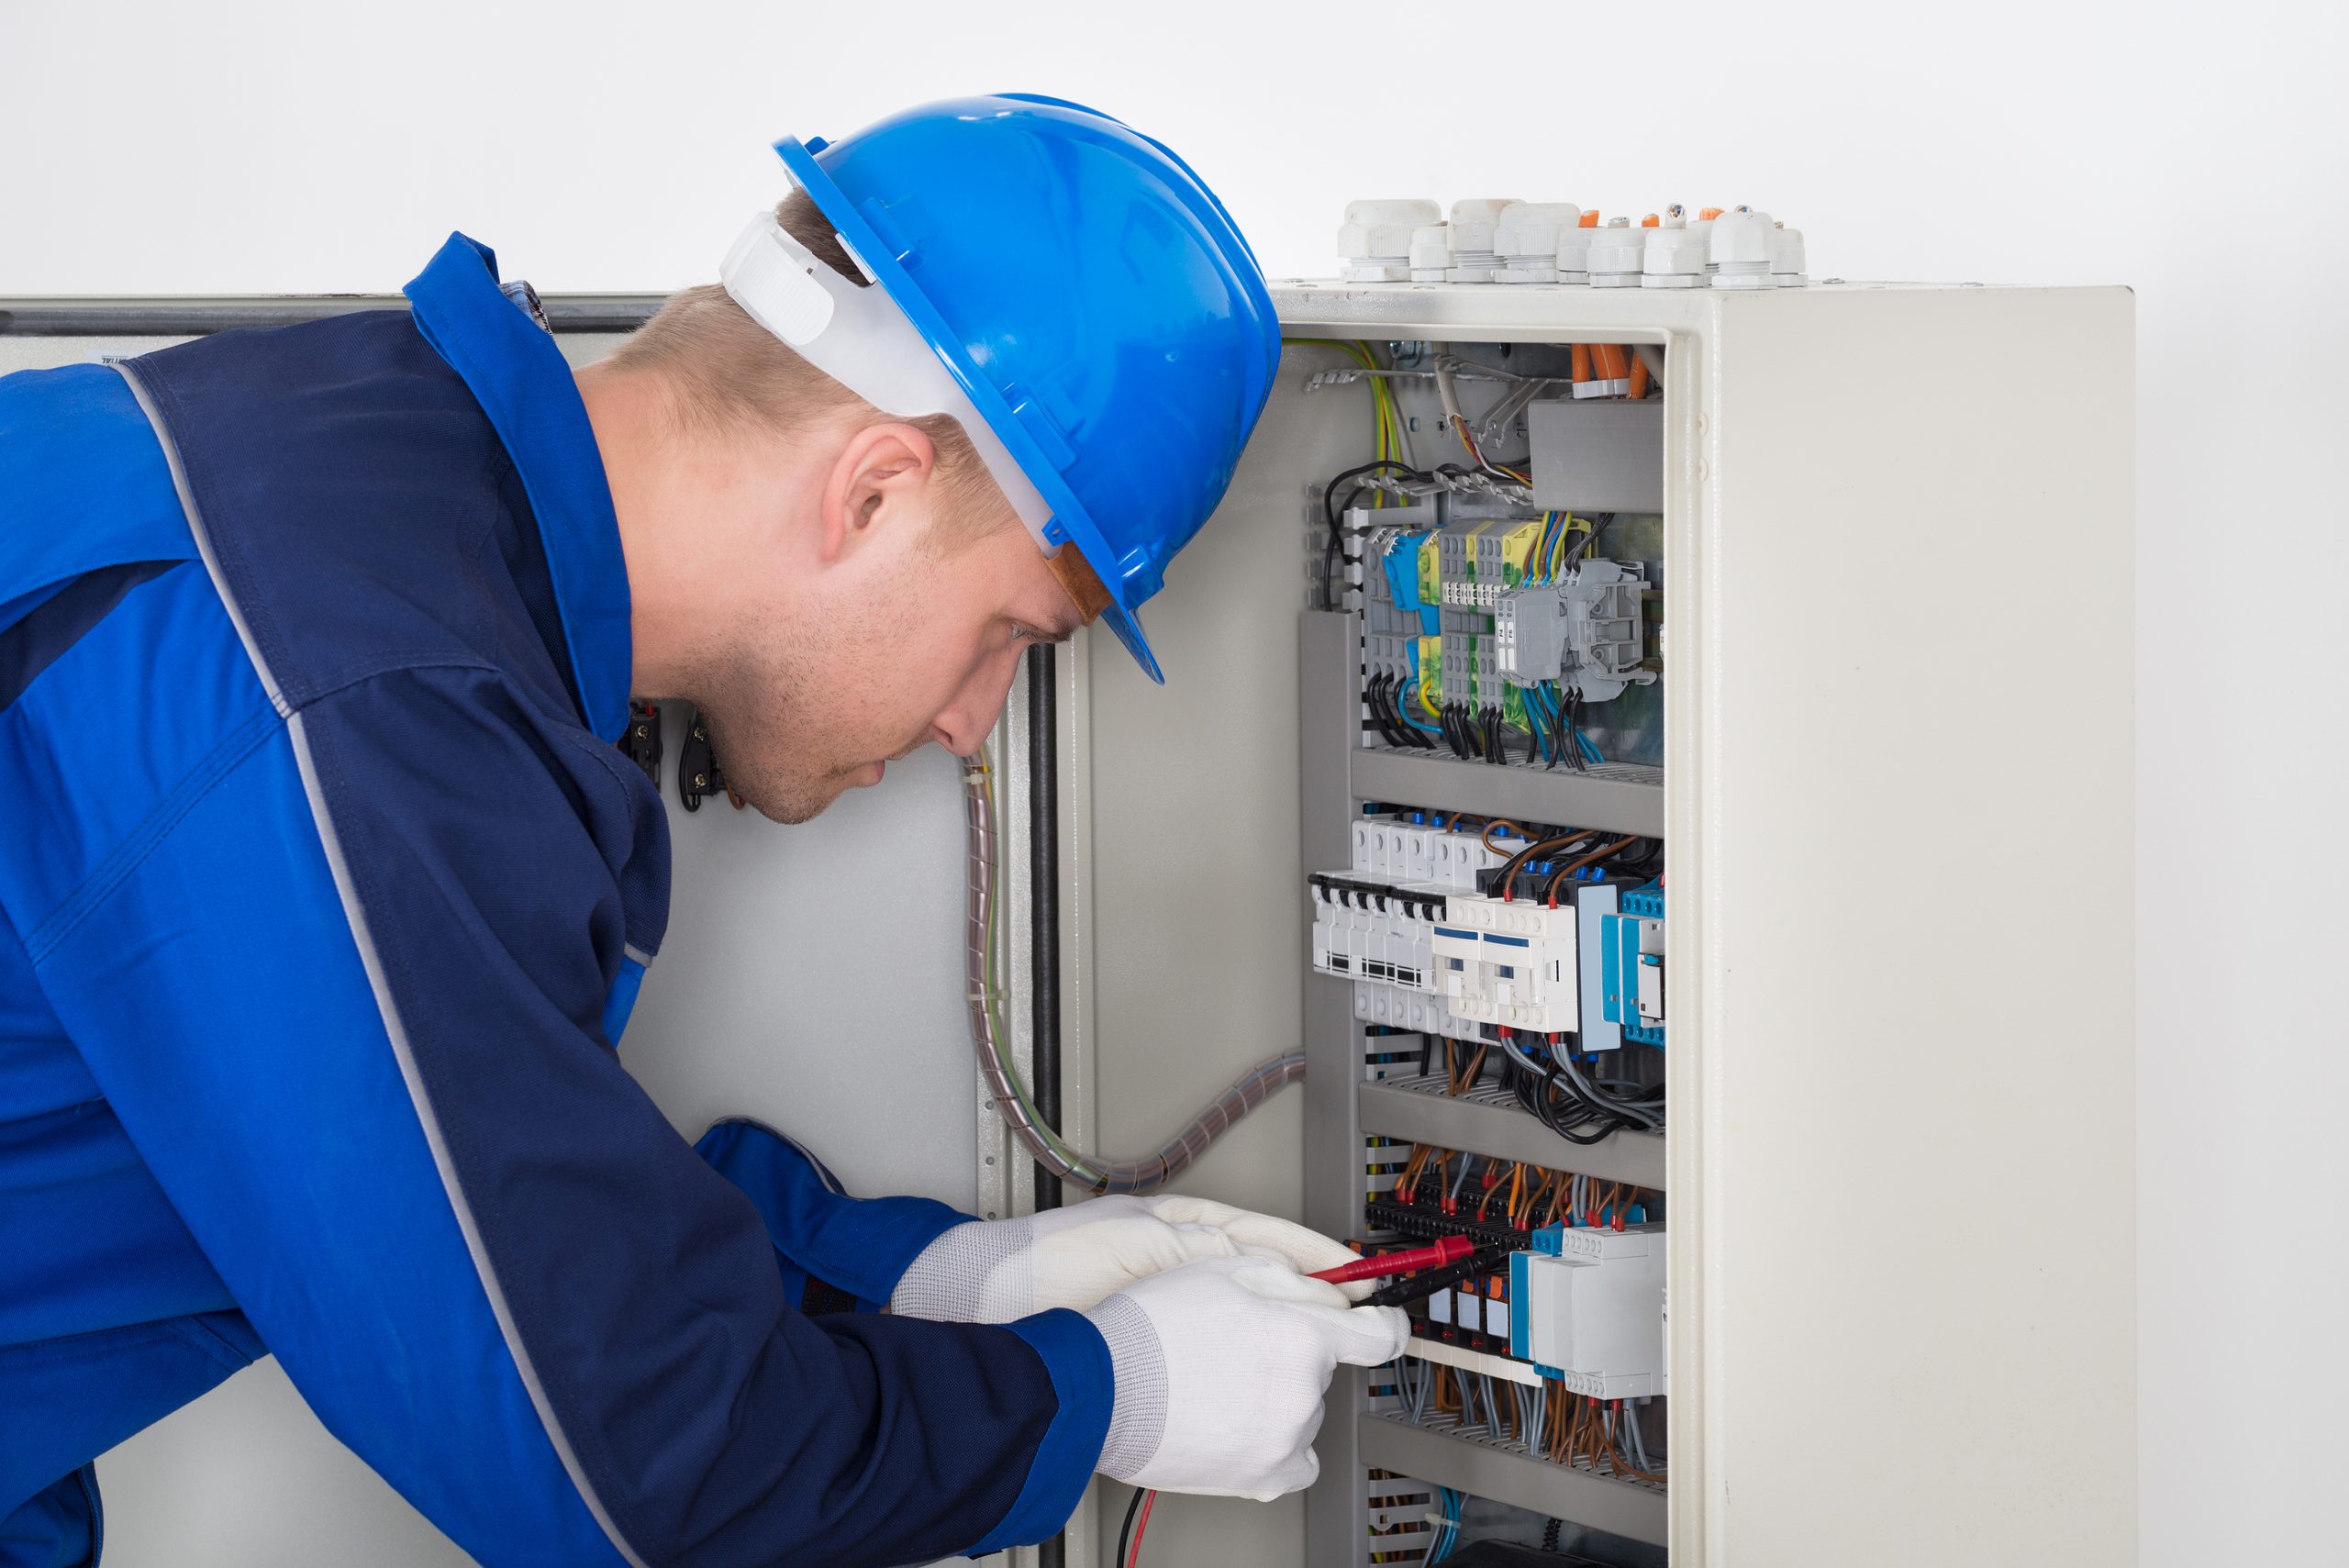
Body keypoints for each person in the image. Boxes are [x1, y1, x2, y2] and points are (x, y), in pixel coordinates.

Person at [0, 96, 1408, 1568]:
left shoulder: (363, 487)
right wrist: (1105, 1394)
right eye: (1010, 633)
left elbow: (450, 1164)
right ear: (872, 492)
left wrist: (929, 1279)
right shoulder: (352, 695)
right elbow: (636, 1473)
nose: (973, 723)